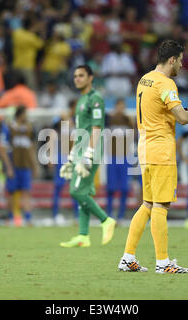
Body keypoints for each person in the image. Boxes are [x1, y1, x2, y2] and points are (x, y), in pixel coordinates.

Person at [117, 40, 188, 274]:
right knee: (161, 207)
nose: (182, 64)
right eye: (181, 59)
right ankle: (163, 263)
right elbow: (182, 118)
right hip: (161, 150)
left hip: (145, 148)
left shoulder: (145, 78)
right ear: (172, 59)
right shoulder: (167, 83)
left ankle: (127, 257)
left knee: (147, 205)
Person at [58, 65, 116, 248]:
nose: (77, 79)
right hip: (81, 149)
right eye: (75, 76)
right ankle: (83, 236)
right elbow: (81, 130)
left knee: (76, 191)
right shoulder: (82, 99)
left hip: (91, 149)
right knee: (84, 191)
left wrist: (89, 154)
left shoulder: (95, 98)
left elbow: (97, 128)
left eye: (81, 75)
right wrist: (72, 155)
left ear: (91, 78)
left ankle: (106, 220)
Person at [0, 106, 38, 227]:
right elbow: (2, 149)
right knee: (11, 192)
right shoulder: (8, 128)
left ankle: (28, 218)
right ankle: (11, 217)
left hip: (25, 165)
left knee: (26, 191)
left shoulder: (29, 129)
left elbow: (31, 148)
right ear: (20, 115)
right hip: (14, 165)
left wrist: (34, 165)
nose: (26, 117)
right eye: (25, 114)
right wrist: (8, 167)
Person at [106, 98, 134, 223]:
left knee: (124, 188)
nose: (120, 109)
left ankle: (121, 215)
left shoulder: (128, 120)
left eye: (122, 107)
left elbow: (134, 135)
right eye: (118, 107)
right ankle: (109, 214)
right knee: (111, 188)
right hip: (112, 157)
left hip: (124, 157)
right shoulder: (109, 120)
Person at [51, 100, 79, 225]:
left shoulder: (80, 120)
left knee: (75, 188)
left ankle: (77, 216)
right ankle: (55, 214)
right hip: (62, 157)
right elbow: (53, 131)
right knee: (58, 187)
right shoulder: (63, 118)